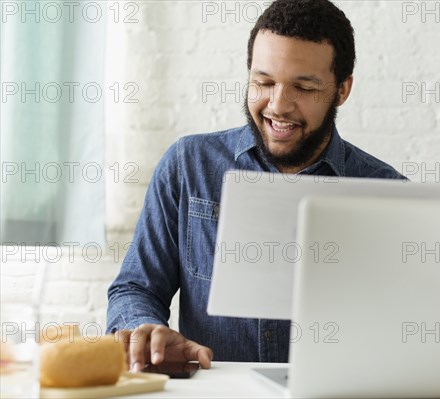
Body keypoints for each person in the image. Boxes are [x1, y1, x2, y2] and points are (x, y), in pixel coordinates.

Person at [107, 0, 407, 371]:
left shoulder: (388, 192)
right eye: (263, 82)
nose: (278, 105)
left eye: (304, 87)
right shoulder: (188, 165)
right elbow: (135, 288)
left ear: (341, 90)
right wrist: (144, 330)